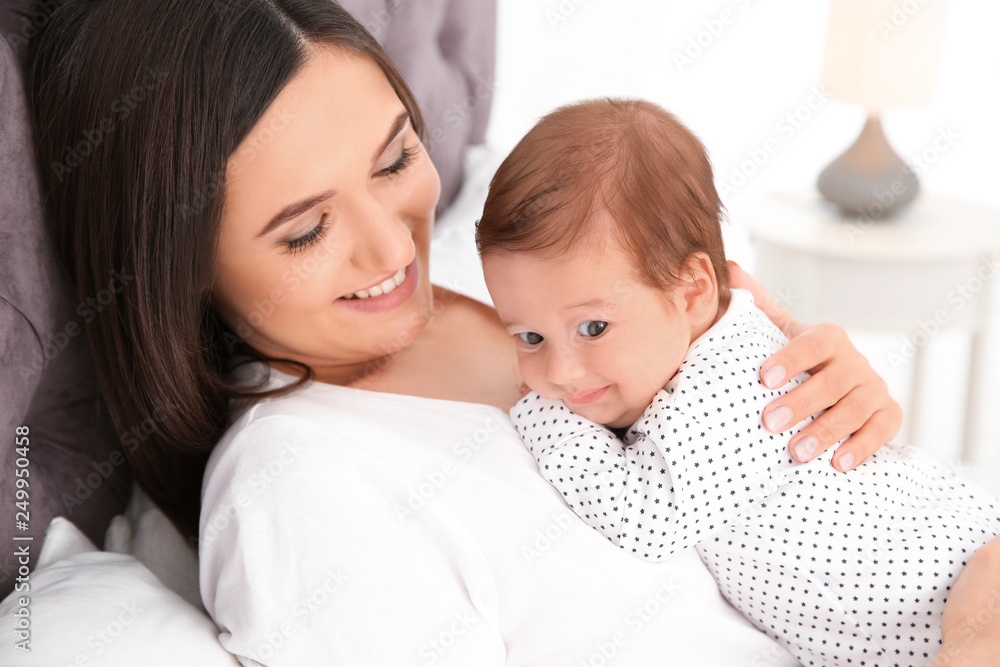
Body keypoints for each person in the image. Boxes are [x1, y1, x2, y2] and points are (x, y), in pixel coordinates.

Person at [31, 0, 967, 663]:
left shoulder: (511, 291)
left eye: (396, 157)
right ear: (184, 266)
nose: (388, 242)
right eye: (307, 229)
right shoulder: (298, 488)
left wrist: (831, 403)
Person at [476, 97, 1000, 666]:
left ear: (693, 290)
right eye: (529, 339)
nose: (558, 372)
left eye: (593, 327)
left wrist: (538, 413)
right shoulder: (694, 345)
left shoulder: (735, 387)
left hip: (949, 583)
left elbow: (648, 520)